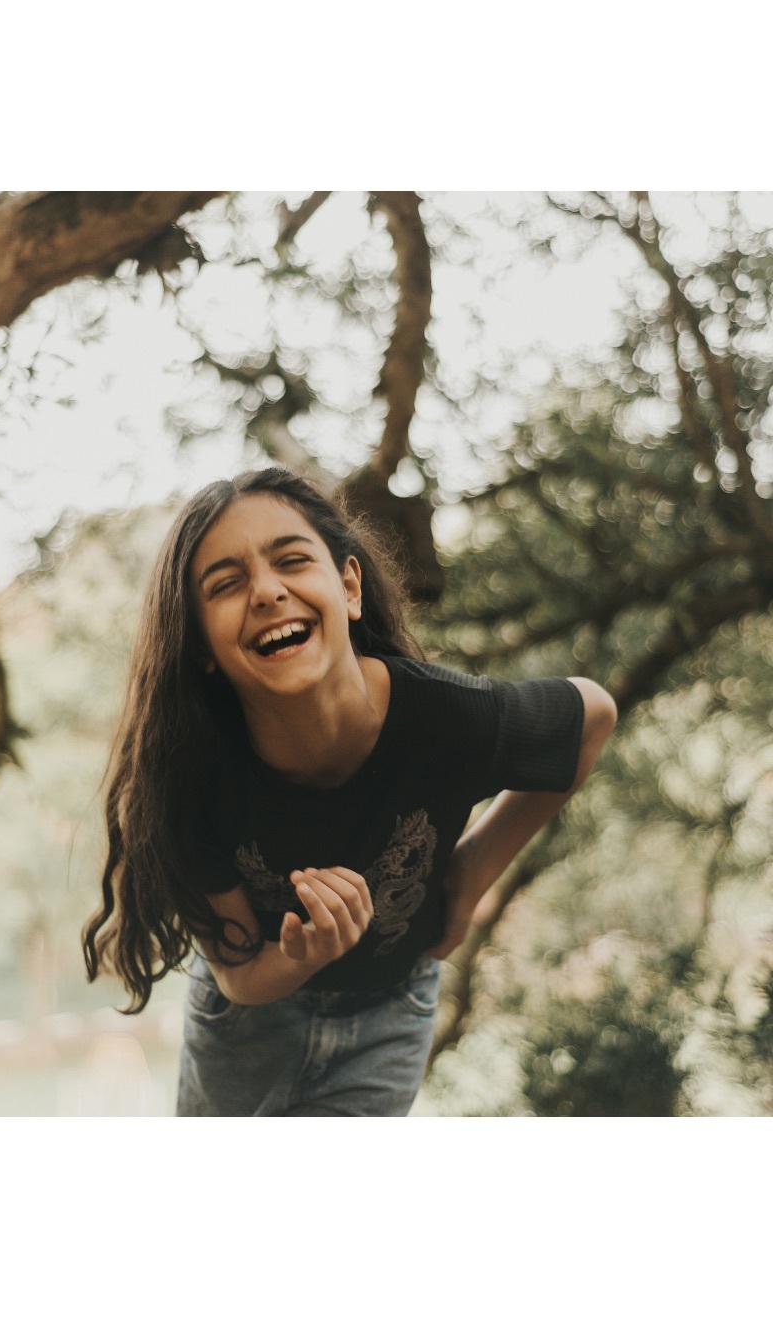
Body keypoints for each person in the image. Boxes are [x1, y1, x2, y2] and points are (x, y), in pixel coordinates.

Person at [82, 466, 617, 1116]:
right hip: (245, 1027)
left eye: (292, 561)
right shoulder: (185, 775)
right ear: (201, 648)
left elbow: (593, 716)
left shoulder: (446, 721)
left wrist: (472, 873)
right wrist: (305, 956)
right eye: (226, 584)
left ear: (349, 586)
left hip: (388, 1015)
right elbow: (238, 972)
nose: (267, 591)